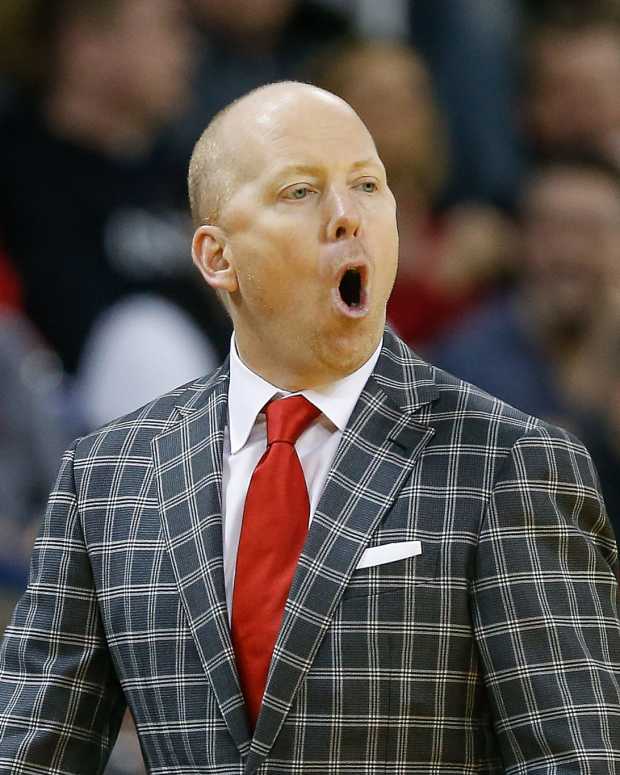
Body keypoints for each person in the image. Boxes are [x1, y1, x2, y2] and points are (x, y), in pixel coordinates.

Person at [0, 82, 618, 773]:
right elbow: (34, 755)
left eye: (367, 185)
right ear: (216, 256)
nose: (347, 216)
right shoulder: (106, 476)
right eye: (300, 191)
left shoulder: (512, 462)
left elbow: (576, 758)